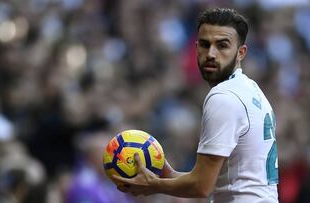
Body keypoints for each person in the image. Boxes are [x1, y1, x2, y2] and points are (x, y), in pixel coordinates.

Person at [113, 8, 279, 203]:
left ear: (241, 53)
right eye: (204, 45)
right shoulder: (252, 91)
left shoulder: (224, 97)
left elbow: (201, 186)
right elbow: (216, 180)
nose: (211, 54)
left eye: (222, 46)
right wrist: (167, 174)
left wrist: (153, 185)